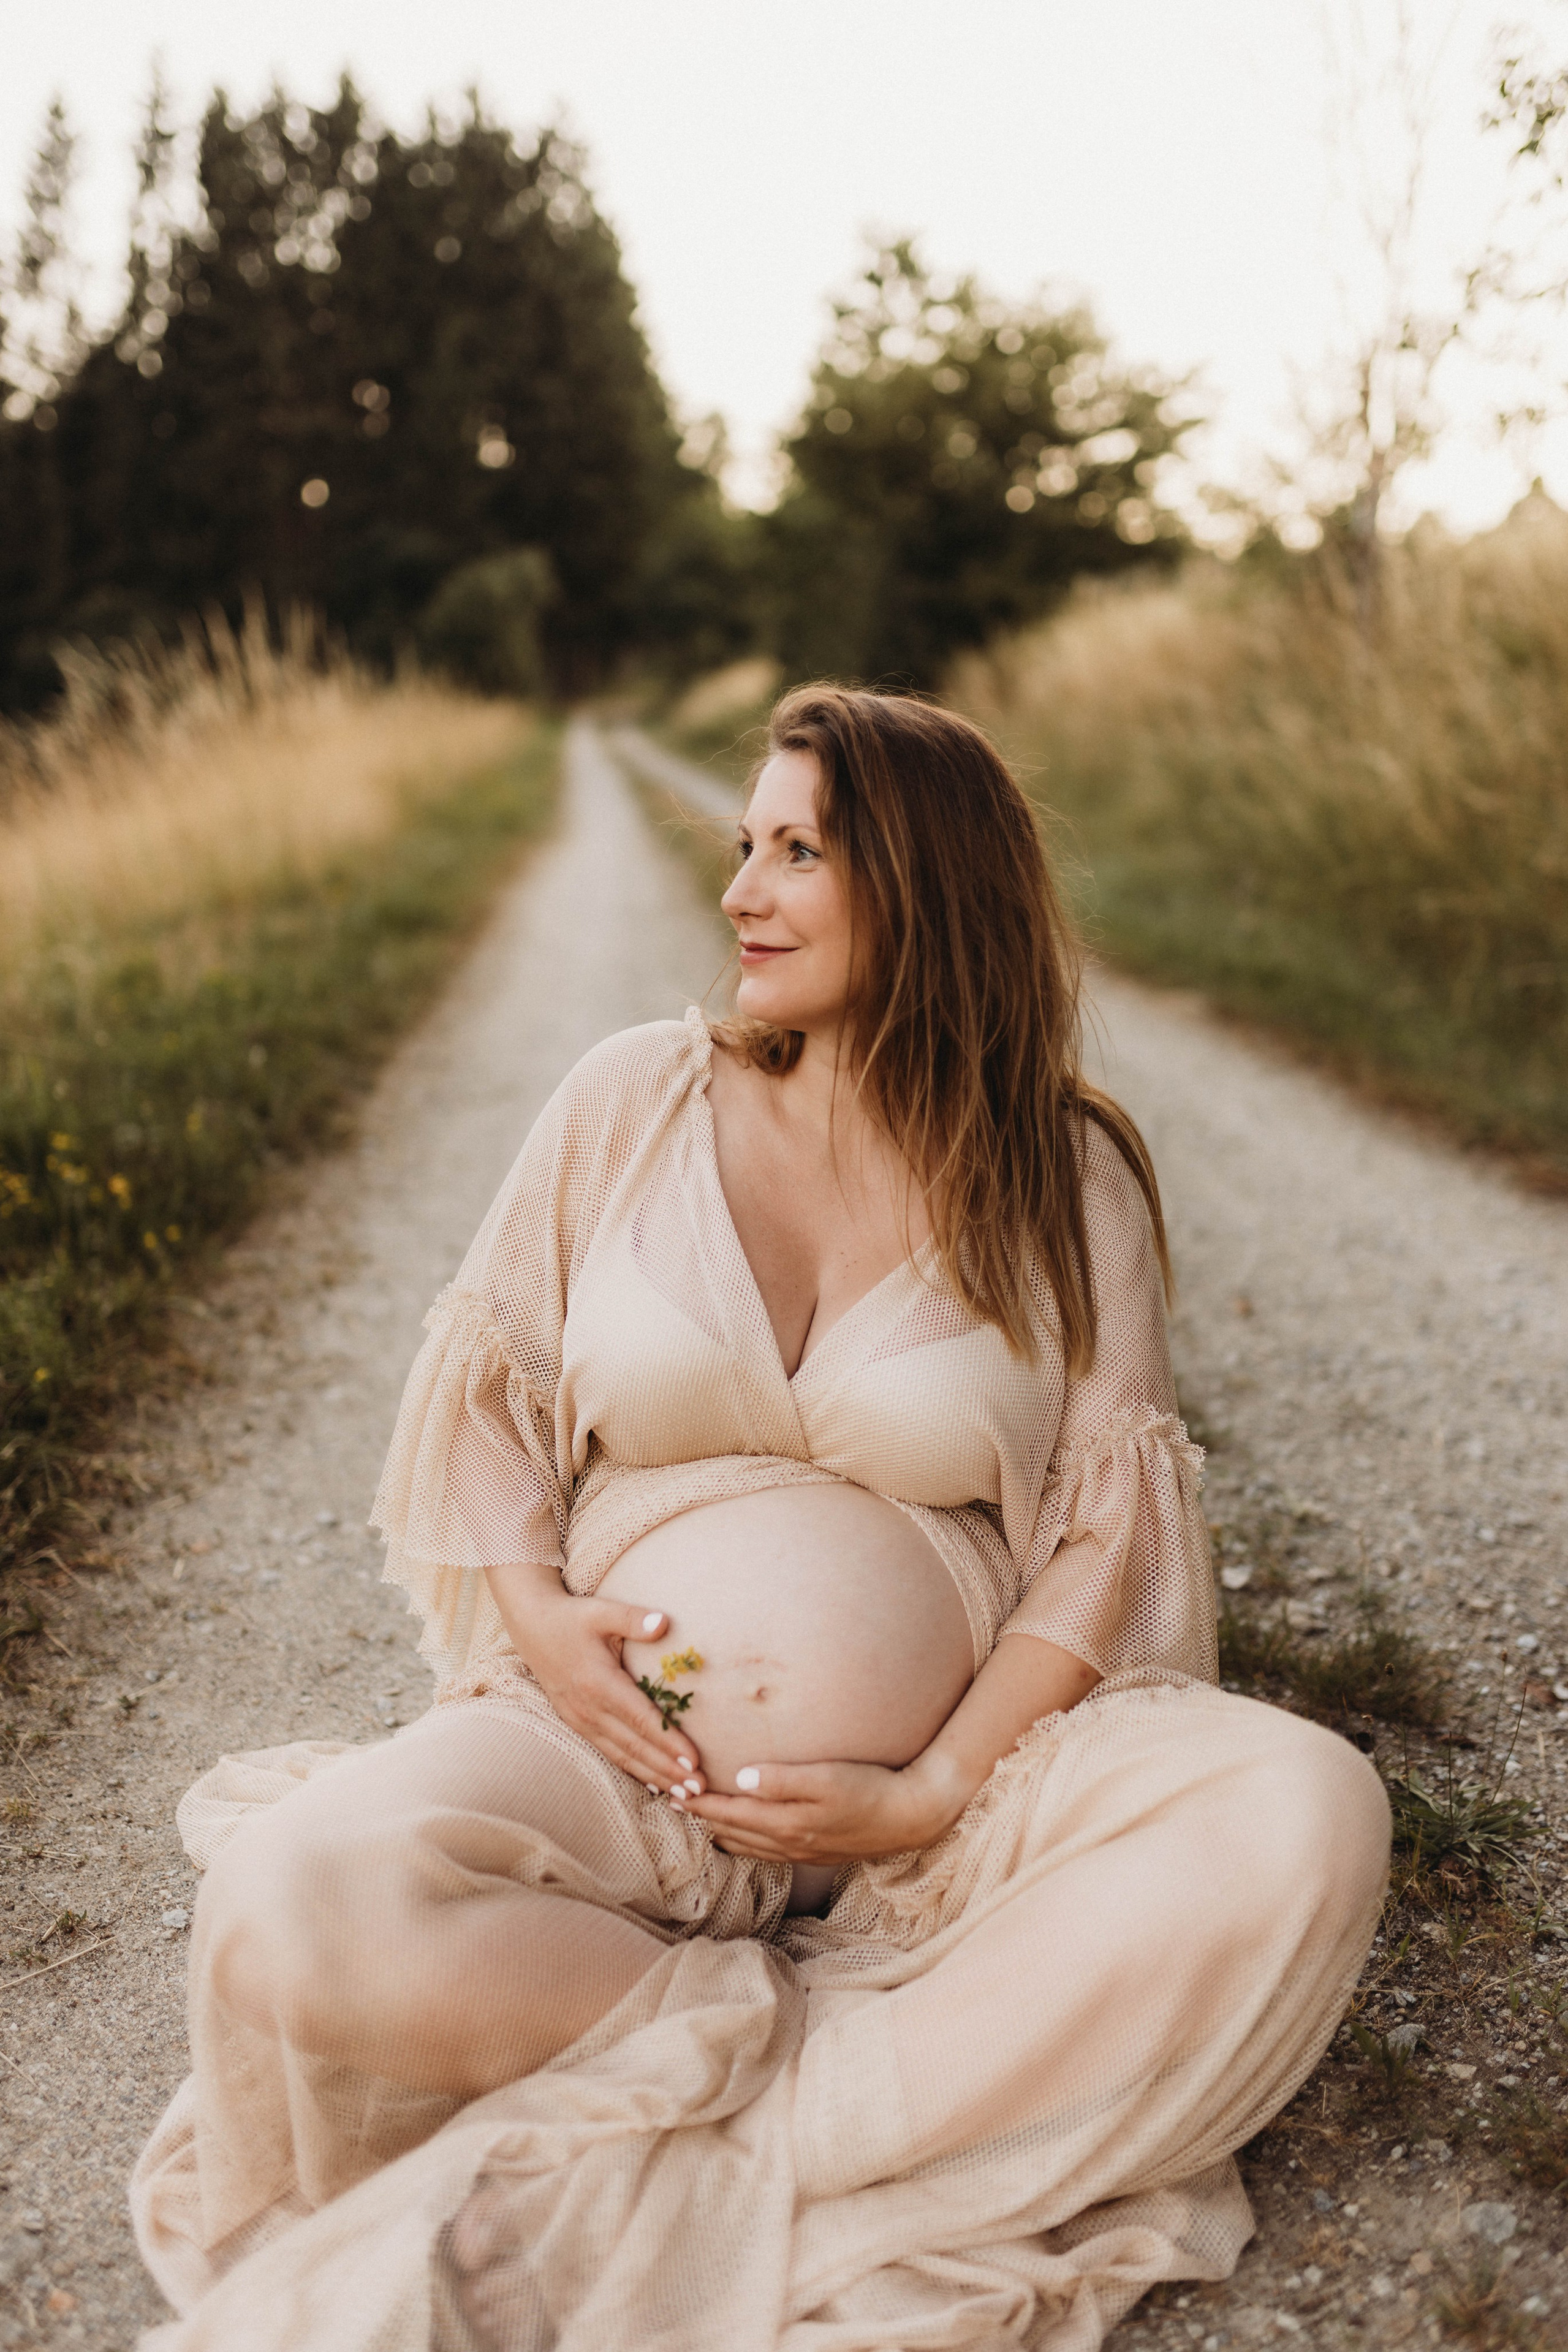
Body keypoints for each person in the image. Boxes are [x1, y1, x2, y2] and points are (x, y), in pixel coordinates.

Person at [132, 688, 1389, 2352]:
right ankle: (815, 2060)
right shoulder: (631, 1099)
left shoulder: (1061, 1173)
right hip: (605, 1756)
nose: (741, 891)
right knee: (292, 1908)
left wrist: (928, 1787)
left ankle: (741, 2061)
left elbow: (1107, 1531)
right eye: (746, 846)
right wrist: (535, 1616)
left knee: (1305, 1806)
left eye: (798, 851)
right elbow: (489, 1378)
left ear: (931, 885)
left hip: (952, 1817)